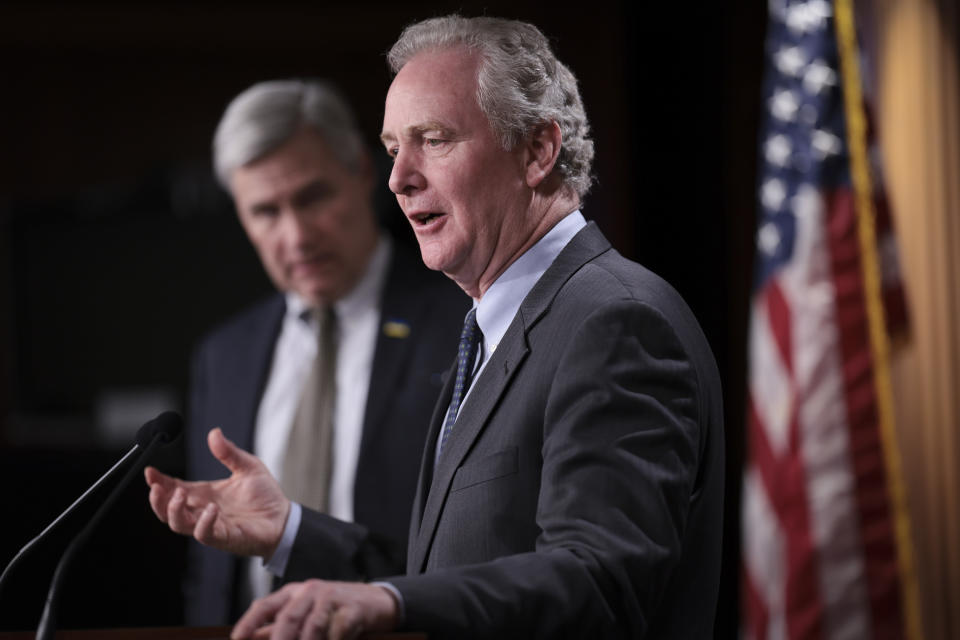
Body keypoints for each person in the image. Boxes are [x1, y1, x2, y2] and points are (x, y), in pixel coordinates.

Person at [146, 16, 725, 639]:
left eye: (435, 139)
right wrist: (293, 533)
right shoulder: (492, 327)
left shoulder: (614, 321)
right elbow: (444, 574)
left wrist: (394, 606)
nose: (399, 179)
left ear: (537, 151)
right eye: (395, 148)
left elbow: (601, 581)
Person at [179, 79, 468, 625]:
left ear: (362, 172)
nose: (297, 236)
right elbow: (210, 570)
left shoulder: (462, 323)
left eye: (313, 197)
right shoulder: (224, 355)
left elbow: (476, 554)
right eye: (266, 211)